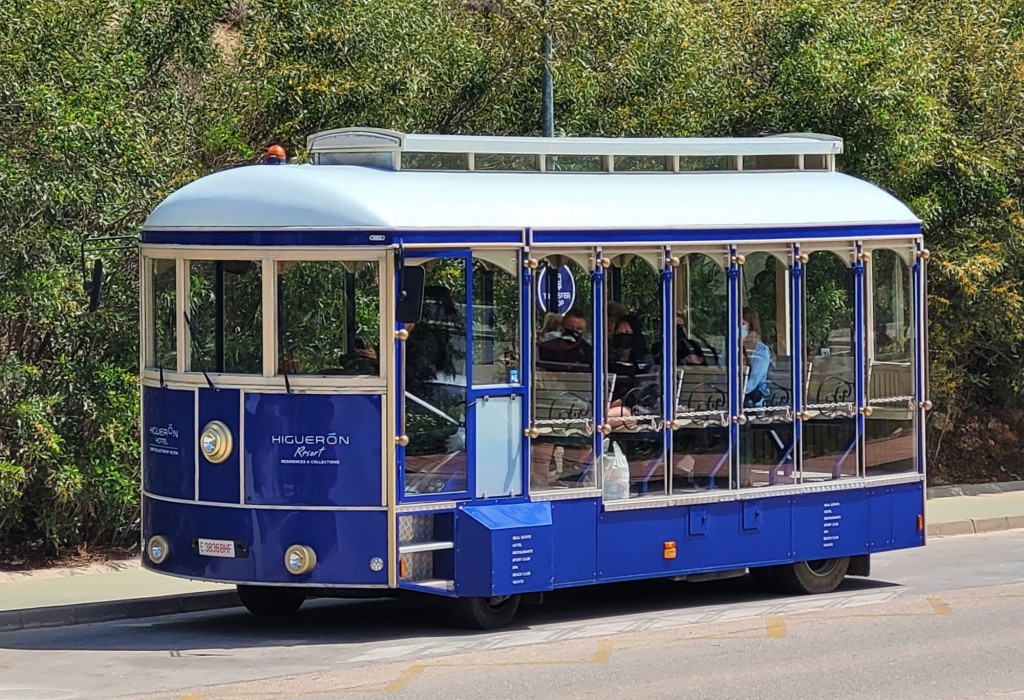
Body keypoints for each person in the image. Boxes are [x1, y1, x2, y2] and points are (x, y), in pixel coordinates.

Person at [741, 307, 771, 407]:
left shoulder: (761, 351)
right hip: (728, 399)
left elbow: (752, 383)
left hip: (753, 402)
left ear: (751, 327)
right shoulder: (732, 348)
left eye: (742, 324)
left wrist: (732, 391)